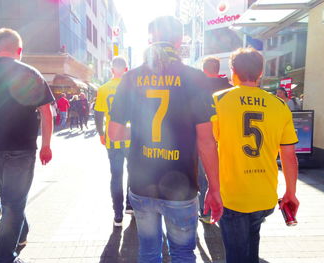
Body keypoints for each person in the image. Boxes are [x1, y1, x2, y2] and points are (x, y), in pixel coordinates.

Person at [108, 16, 223, 262]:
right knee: (182, 252)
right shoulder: (195, 78)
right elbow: (206, 141)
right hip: (181, 186)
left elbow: (114, 134)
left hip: (141, 183)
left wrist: (139, 131)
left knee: (148, 252)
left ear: (150, 38)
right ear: (180, 40)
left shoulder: (130, 78)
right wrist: (215, 187)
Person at [210, 47, 299, 263]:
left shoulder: (218, 100)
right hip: (264, 193)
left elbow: (208, 146)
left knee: (235, 254)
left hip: (232, 194)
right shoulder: (279, 105)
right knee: (252, 243)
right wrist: (290, 192)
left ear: (233, 71)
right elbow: (289, 156)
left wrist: (211, 188)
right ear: (261, 73)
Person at [0, 28, 54, 263]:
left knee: (10, 198)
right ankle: (4, 257)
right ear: (19, 50)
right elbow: (46, 111)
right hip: (21, 149)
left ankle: (21, 235)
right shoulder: (29, 73)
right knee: (14, 202)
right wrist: (47, 145)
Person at [94, 57, 133, 227]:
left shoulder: (103, 89)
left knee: (116, 176)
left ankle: (118, 214)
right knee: (133, 172)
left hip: (112, 138)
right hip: (131, 138)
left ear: (111, 70)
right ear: (126, 69)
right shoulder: (133, 87)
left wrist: (101, 133)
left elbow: (99, 113)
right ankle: (131, 205)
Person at [198, 56, 233, 223]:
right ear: (218, 69)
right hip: (225, 140)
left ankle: (205, 212)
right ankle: (224, 209)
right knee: (224, 176)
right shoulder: (230, 89)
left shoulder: (196, 88)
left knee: (204, 175)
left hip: (202, 139)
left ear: (204, 69)